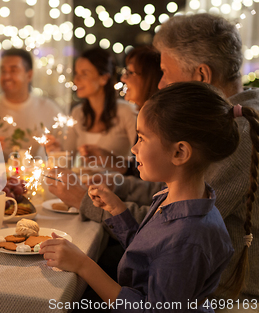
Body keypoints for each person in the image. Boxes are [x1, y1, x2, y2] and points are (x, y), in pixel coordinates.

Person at [48, 13, 259, 302]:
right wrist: (117, 206)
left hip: (221, 291)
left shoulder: (233, 137)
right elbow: (155, 235)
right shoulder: (184, 185)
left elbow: (173, 244)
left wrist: (85, 261)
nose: (159, 84)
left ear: (201, 76)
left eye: (165, 72)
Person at [46, 47, 138, 174]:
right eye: (76, 73)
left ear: (104, 78)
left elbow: (140, 165)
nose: (76, 80)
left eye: (84, 74)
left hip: (118, 190)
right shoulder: (78, 113)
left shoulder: (125, 112)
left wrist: (109, 159)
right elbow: (67, 163)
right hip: (84, 187)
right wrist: (56, 152)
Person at [0, 48, 62, 159]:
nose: (6, 77)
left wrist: (56, 151)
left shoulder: (50, 110)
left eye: (13, 71)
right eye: (3, 71)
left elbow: (64, 151)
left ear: (29, 75)